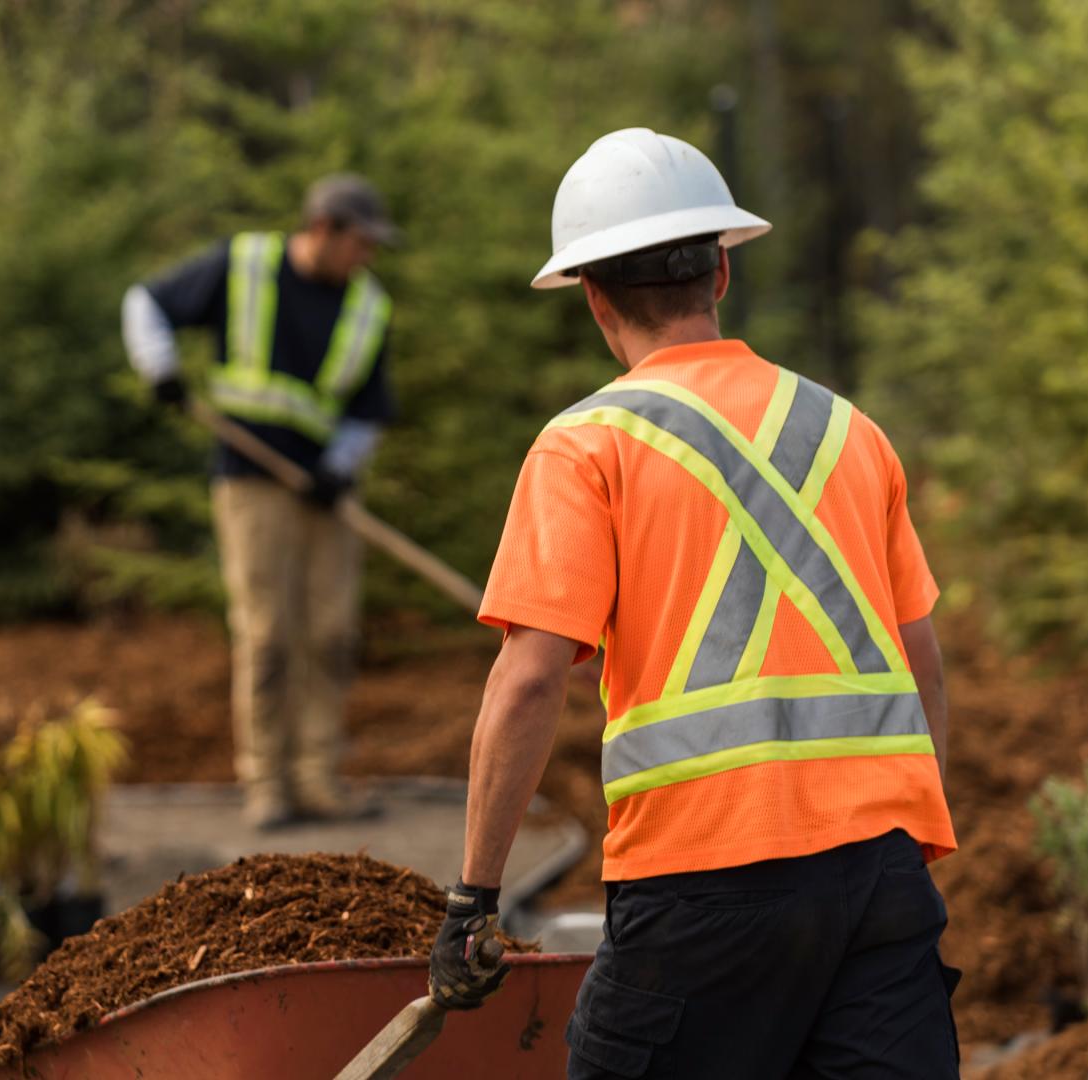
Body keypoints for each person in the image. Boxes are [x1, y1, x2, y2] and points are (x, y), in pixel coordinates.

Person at [427, 128, 961, 1078]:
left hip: (702, 881)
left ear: (593, 299)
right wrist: (912, 836)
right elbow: (920, 657)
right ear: (721, 272)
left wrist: (475, 895)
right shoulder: (849, 430)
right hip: (880, 875)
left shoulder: (586, 446)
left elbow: (530, 679)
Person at [121, 174, 398, 830]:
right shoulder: (241, 265)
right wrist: (158, 368)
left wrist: (338, 467)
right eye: (360, 242)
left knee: (330, 634)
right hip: (250, 482)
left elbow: (369, 411)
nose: (368, 257)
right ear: (324, 228)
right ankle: (267, 783)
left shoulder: (366, 307)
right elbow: (146, 302)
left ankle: (316, 777)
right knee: (268, 634)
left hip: (326, 495)